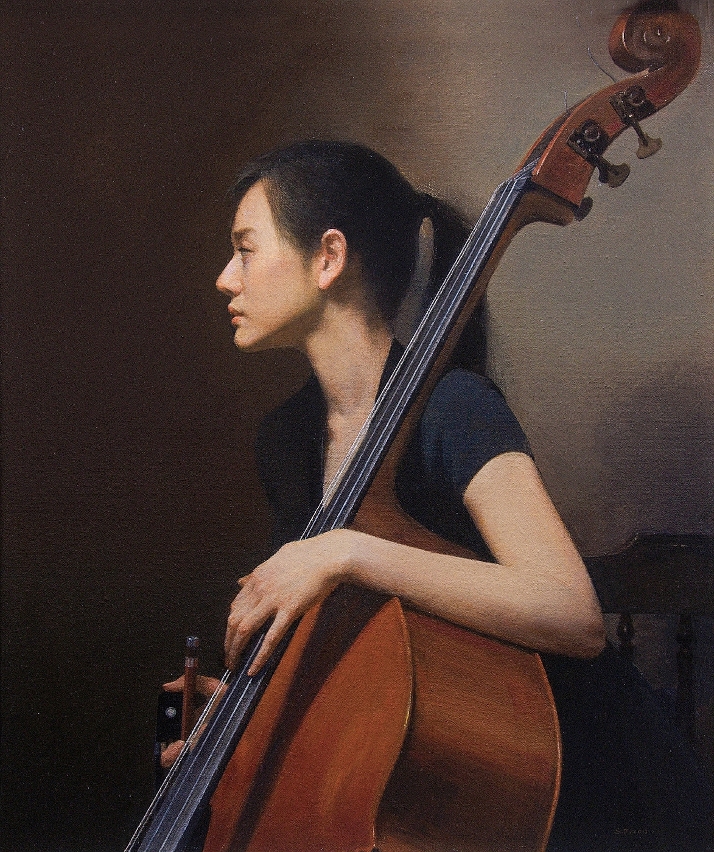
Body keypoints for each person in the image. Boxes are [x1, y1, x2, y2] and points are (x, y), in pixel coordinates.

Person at [172, 140, 710, 851]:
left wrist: (347, 552)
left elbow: (571, 612)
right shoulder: (288, 439)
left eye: (245, 249)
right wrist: (246, 719)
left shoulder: (454, 409)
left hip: (570, 786)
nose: (224, 278)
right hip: (434, 787)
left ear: (328, 258)